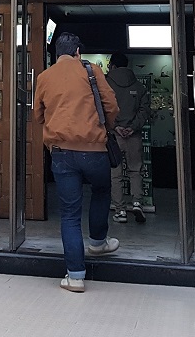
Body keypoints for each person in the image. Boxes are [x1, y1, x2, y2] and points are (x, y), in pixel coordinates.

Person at [33, 31, 120, 293]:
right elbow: (111, 106)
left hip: (61, 152)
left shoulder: (44, 76)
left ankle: (75, 277)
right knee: (102, 191)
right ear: (78, 52)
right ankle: (98, 242)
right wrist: (105, 127)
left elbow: (38, 115)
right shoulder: (91, 70)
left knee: (70, 214)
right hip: (94, 150)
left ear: (56, 53)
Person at [106, 52, 150, 224]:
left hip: (114, 136)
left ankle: (120, 210)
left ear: (112, 65)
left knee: (115, 174)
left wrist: (115, 126)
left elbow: (103, 108)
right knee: (135, 170)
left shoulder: (106, 84)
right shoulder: (139, 86)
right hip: (134, 135)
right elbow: (144, 110)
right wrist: (132, 127)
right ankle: (137, 203)